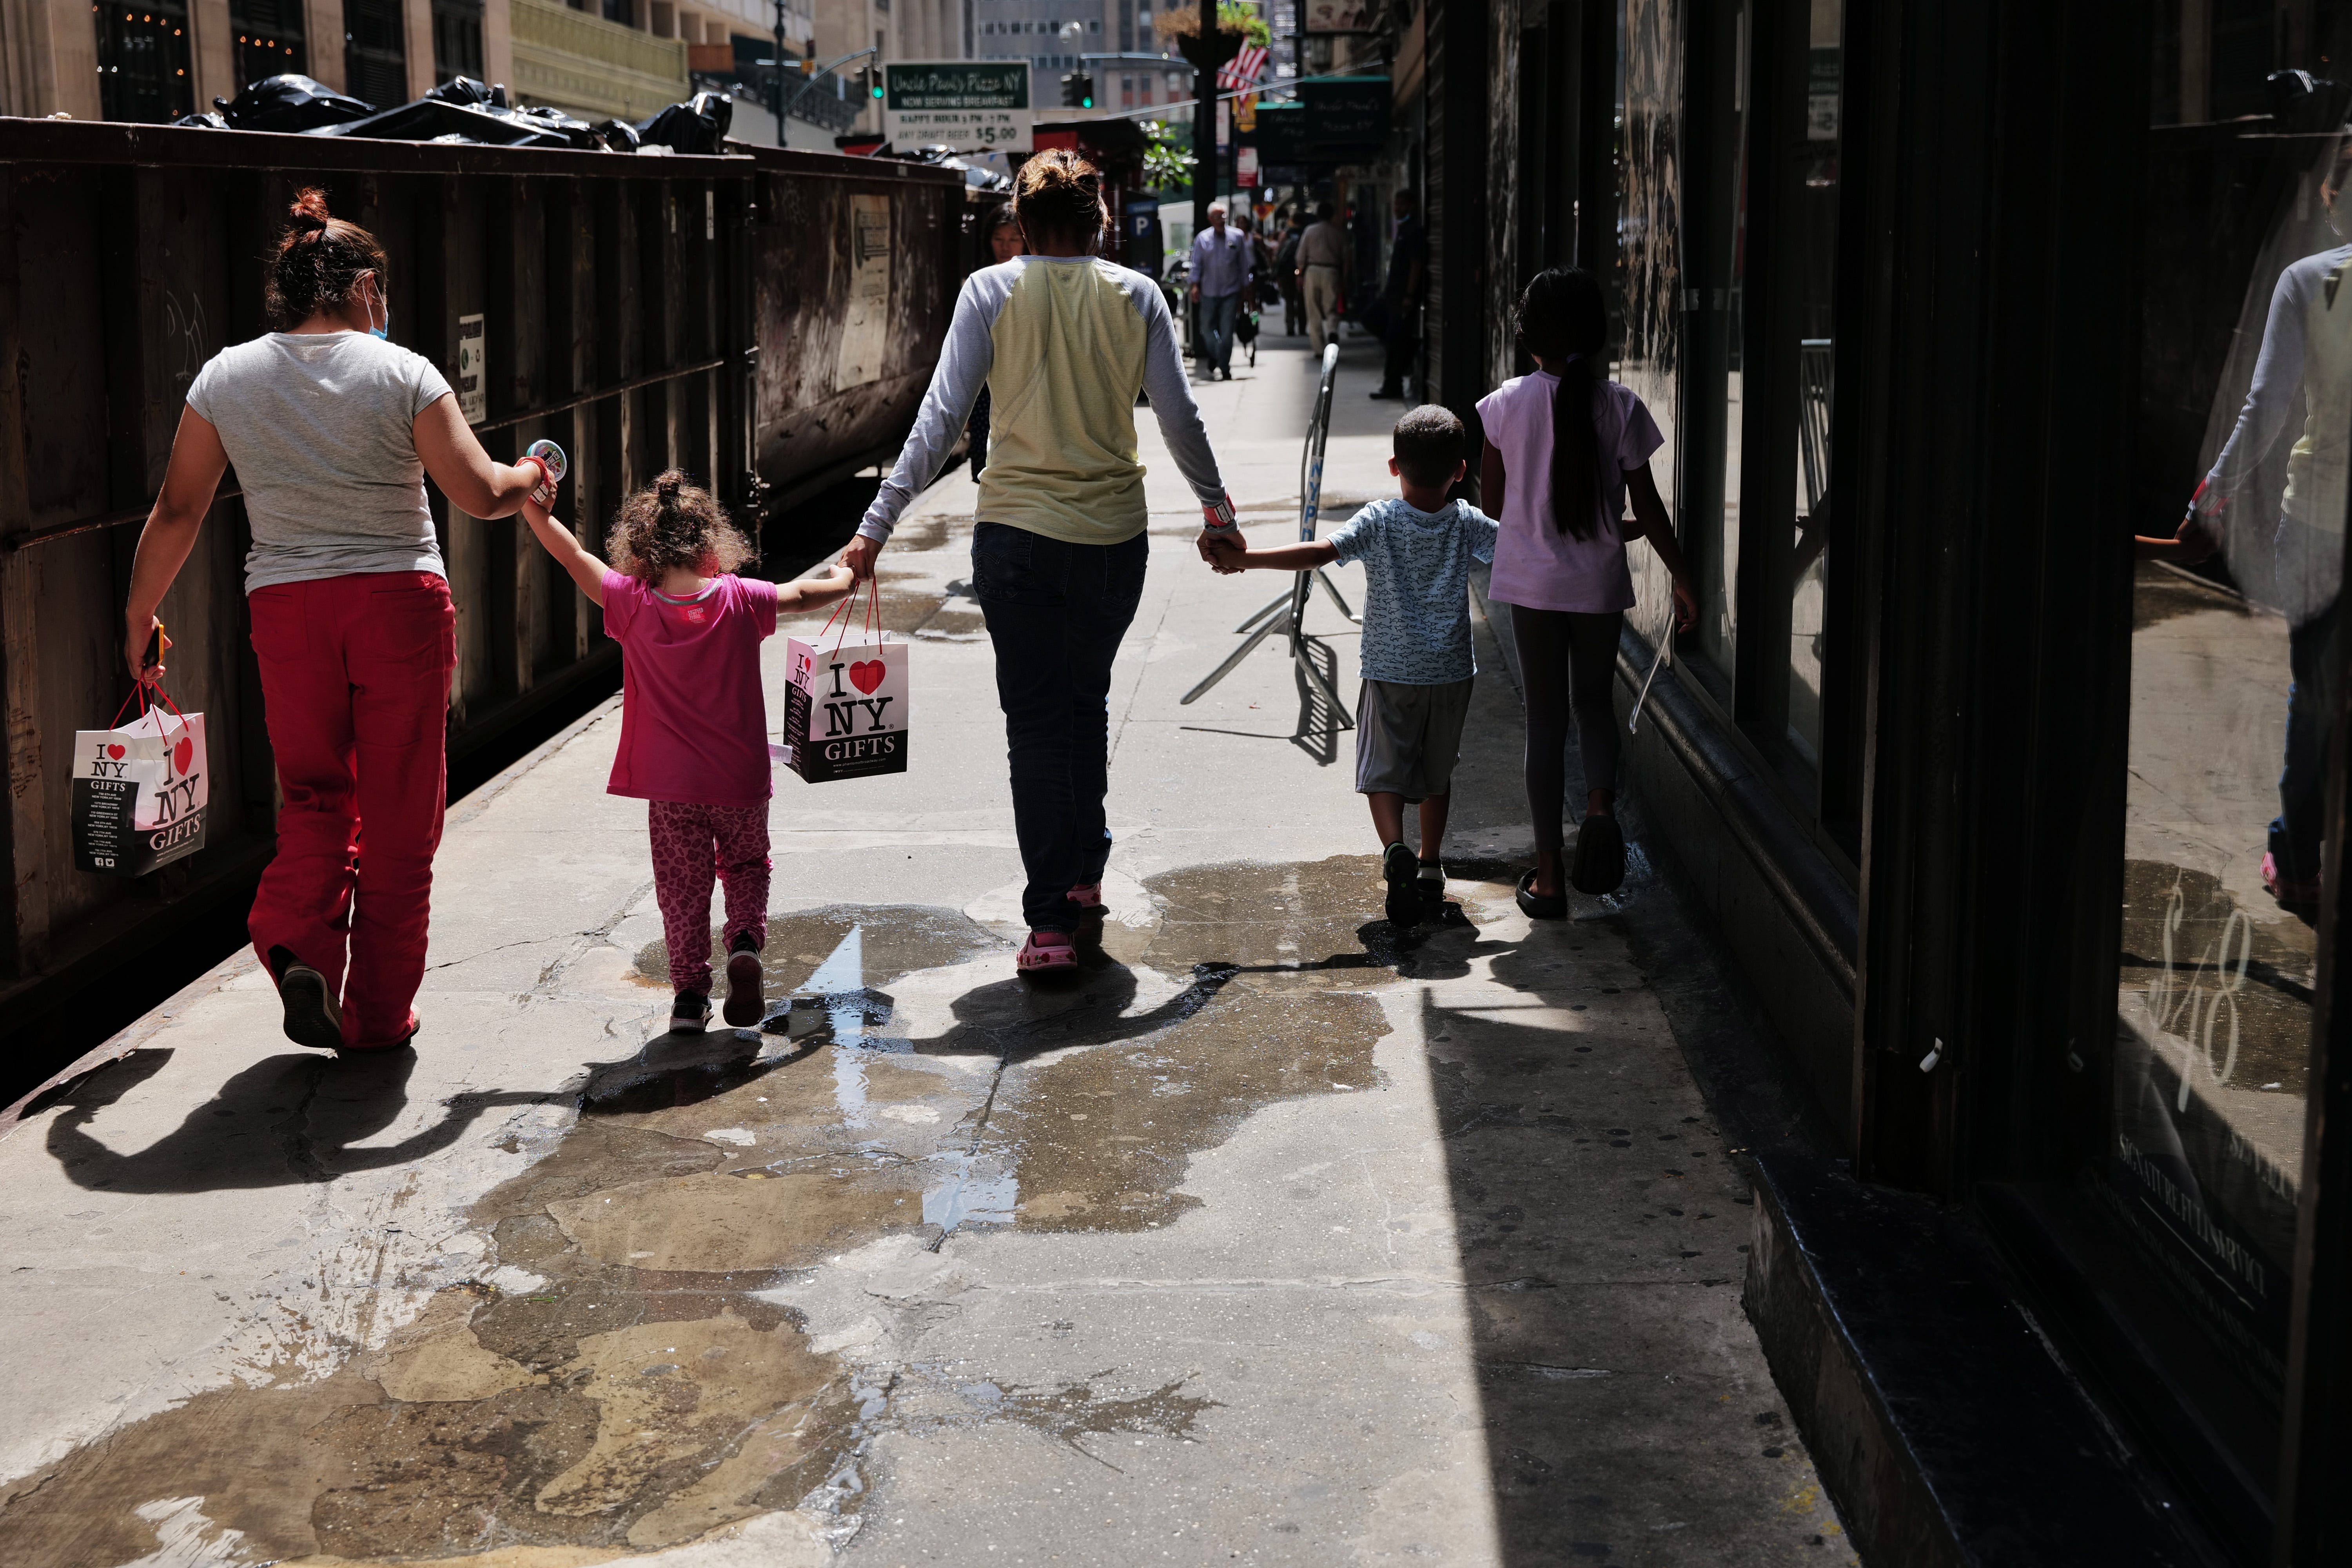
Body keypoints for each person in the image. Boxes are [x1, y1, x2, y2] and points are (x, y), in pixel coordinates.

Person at [121, 189, 549, 1054]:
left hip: (288, 610)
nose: (384, 310)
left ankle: (297, 940)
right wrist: (530, 473)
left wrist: (138, 614)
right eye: (379, 292)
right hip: (398, 604)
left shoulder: (226, 378)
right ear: (358, 288)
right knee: (401, 820)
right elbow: (475, 492)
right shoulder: (404, 373)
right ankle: (380, 1015)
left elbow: (177, 509)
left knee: (315, 795)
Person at [844, 149, 1243, 976]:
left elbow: (942, 418)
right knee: (1084, 702)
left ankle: (1050, 920)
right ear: (1099, 222)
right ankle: (1086, 871)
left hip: (1017, 540)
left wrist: (877, 524)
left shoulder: (990, 291)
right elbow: (1180, 418)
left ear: (1019, 227)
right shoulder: (1138, 295)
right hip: (1111, 542)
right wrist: (1218, 513)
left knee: (1036, 724)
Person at [517, 471, 856, 1031]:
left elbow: (573, 554)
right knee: (746, 865)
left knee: (682, 888)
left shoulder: (629, 603)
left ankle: (689, 999)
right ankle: (744, 943)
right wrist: (846, 579)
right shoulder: (741, 600)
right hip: (740, 780)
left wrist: (537, 513)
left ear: (641, 550)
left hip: (671, 786)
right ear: (711, 545)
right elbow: (799, 594)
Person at [2154, 142, 2352, 913]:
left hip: (2319, 526)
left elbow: (2265, 405)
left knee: (2318, 694)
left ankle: (2298, 861)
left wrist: (2212, 503)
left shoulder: (2312, 281)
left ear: (2332, 197)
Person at [1205, 407, 1496, 926]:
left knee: (1382, 771)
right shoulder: (1467, 522)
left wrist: (1246, 560)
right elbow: (1527, 546)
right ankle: (1431, 865)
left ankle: (1395, 851)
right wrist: (1610, 531)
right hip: (1452, 672)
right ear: (1460, 470)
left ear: (1394, 466)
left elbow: (1319, 552)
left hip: (1390, 671)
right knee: (1437, 772)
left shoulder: (1380, 520)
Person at [1477, 268, 1698, 917]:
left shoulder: (1503, 405)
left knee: (1545, 723)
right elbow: (1650, 507)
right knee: (1595, 707)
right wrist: (1683, 578)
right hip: (1598, 582)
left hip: (1532, 584)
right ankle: (1601, 804)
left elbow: (1496, 505)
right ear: (1598, 334)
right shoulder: (1620, 405)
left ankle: (1548, 880)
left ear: (1527, 337)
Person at [966, 205, 1026, 480]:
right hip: (985, 388)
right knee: (987, 471)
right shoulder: (978, 282)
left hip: (1023, 382)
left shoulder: (1032, 280)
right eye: (999, 239)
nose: (1005, 247)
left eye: (1013, 239)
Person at [1370, 189, 1428, 401]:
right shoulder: (1404, 229)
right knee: (1383, 329)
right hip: (1393, 295)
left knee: (1396, 341)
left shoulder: (1413, 231)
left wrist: (1409, 295)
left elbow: (1416, 265)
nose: (1397, 209)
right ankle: (1397, 372)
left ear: (1412, 206)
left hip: (1402, 297)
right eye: (1396, 204)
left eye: (1402, 204)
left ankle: (1392, 384)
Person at [1188, 200, 1253, 381]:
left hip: (1230, 292)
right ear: (1210, 219)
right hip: (1208, 292)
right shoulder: (1203, 238)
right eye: (1217, 217)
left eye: (1223, 216)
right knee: (1207, 330)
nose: (1221, 220)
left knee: (1226, 333)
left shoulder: (1237, 236)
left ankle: (1225, 368)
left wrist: (1246, 289)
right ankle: (1217, 355)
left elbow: (1243, 265)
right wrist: (1195, 286)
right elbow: (1197, 265)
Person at [1296, 200, 1351, 358]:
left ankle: (1320, 349)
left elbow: (1301, 256)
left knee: (1313, 310)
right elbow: (1346, 258)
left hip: (1312, 270)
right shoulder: (1339, 232)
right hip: (1332, 271)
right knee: (1331, 307)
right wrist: (1344, 278)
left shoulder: (1310, 231)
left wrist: (1300, 274)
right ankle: (1333, 330)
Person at [1274, 206, 1307, 337]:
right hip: (1303, 270)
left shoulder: (1286, 233)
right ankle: (1303, 328)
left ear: (1292, 220)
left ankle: (1290, 327)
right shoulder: (1306, 232)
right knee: (1302, 300)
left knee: (1289, 300)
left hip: (1287, 271)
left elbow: (1279, 253)